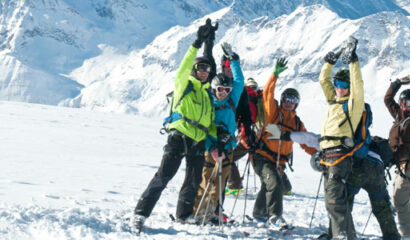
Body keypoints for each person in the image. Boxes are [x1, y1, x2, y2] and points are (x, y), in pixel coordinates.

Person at [265, 102, 401, 240]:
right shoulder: (362, 136)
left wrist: (284, 135)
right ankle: (392, 236)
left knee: (340, 203)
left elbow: (309, 138)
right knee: (382, 206)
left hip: (356, 168)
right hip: (376, 167)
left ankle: (337, 235)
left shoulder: (336, 136)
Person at [131, 19, 218, 232]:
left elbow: (209, 123)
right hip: (179, 136)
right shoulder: (183, 85)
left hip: (198, 140)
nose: (204, 71)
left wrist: (210, 45)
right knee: (163, 176)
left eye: (207, 68)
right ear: (195, 70)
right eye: (200, 68)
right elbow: (184, 65)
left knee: (194, 180)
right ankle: (140, 214)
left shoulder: (207, 94)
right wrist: (197, 42)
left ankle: (184, 215)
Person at [251, 58, 317, 228]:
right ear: (282, 100)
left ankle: (259, 214)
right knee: (275, 183)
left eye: (292, 100)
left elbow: (306, 142)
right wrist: (274, 75)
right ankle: (275, 216)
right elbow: (267, 94)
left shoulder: (297, 123)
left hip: (280, 162)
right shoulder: (274, 114)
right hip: (263, 157)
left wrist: (318, 155)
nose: (288, 102)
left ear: (297, 104)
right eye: (286, 99)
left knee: (269, 186)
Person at [192, 43, 245, 224]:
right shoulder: (208, 103)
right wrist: (211, 148)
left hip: (228, 146)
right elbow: (204, 128)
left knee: (220, 185)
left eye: (227, 90)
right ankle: (198, 212)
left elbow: (239, 81)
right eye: (220, 90)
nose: (223, 93)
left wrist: (234, 60)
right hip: (212, 147)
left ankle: (210, 213)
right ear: (214, 89)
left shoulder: (232, 100)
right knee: (206, 181)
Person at [317, 36, 364, 240]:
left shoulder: (352, 105)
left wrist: (353, 60)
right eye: (338, 83)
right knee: (332, 199)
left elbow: (359, 85)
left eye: (344, 84)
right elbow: (322, 80)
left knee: (335, 199)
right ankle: (343, 234)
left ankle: (342, 235)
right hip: (326, 154)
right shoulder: (333, 101)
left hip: (340, 155)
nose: (339, 87)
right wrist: (330, 61)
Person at [384, 75, 410, 240]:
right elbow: (388, 100)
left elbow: (405, 147)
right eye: (401, 102)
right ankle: (406, 232)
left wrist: (389, 157)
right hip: (404, 164)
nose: (402, 105)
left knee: (400, 200)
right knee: (399, 199)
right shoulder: (401, 115)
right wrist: (396, 84)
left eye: (406, 103)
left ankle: (408, 236)